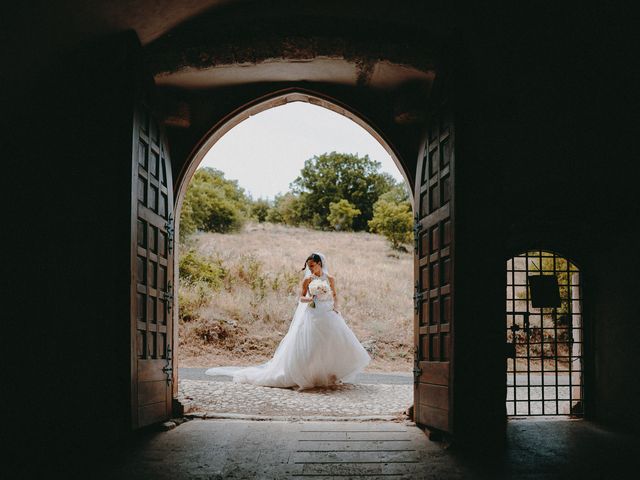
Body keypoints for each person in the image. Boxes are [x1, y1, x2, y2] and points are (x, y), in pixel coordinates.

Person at [205, 252, 371, 391]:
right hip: (313, 315)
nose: (310, 269)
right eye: (308, 266)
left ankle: (330, 375)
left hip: (329, 314)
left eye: (312, 265)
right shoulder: (307, 281)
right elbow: (302, 298)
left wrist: (336, 307)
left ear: (320, 264)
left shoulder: (330, 278)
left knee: (331, 344)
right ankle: (308, 375)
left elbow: (335, 295)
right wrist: (313, 297)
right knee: (311, 348)